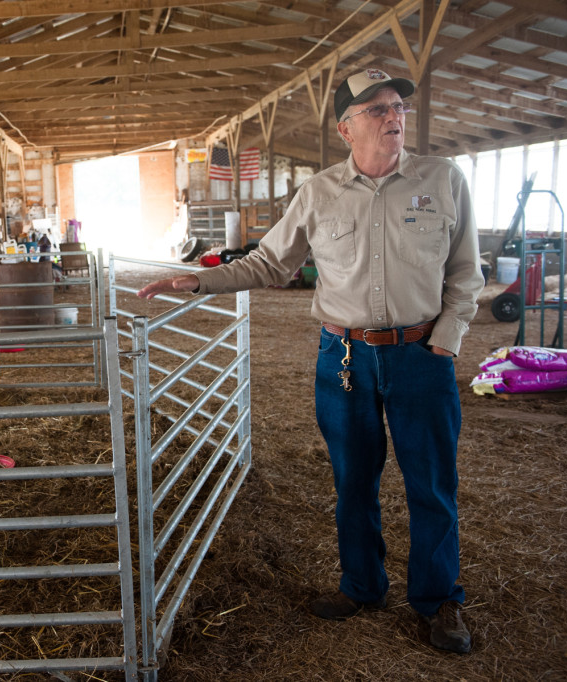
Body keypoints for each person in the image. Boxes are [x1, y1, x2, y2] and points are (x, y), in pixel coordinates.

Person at [137, 69, 483, 654]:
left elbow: (465, 272)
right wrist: (199, 281)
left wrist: (447, 338)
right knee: (353, 479)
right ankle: (362, 585)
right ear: (346, 129)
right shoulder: (319, 193)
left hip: (420, 355)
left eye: (397, 106)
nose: (392, 117)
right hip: (343, 354)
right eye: (376, 110)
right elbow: (270, 265)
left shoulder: (443, 180)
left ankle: (437, 598)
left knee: (431, 482)